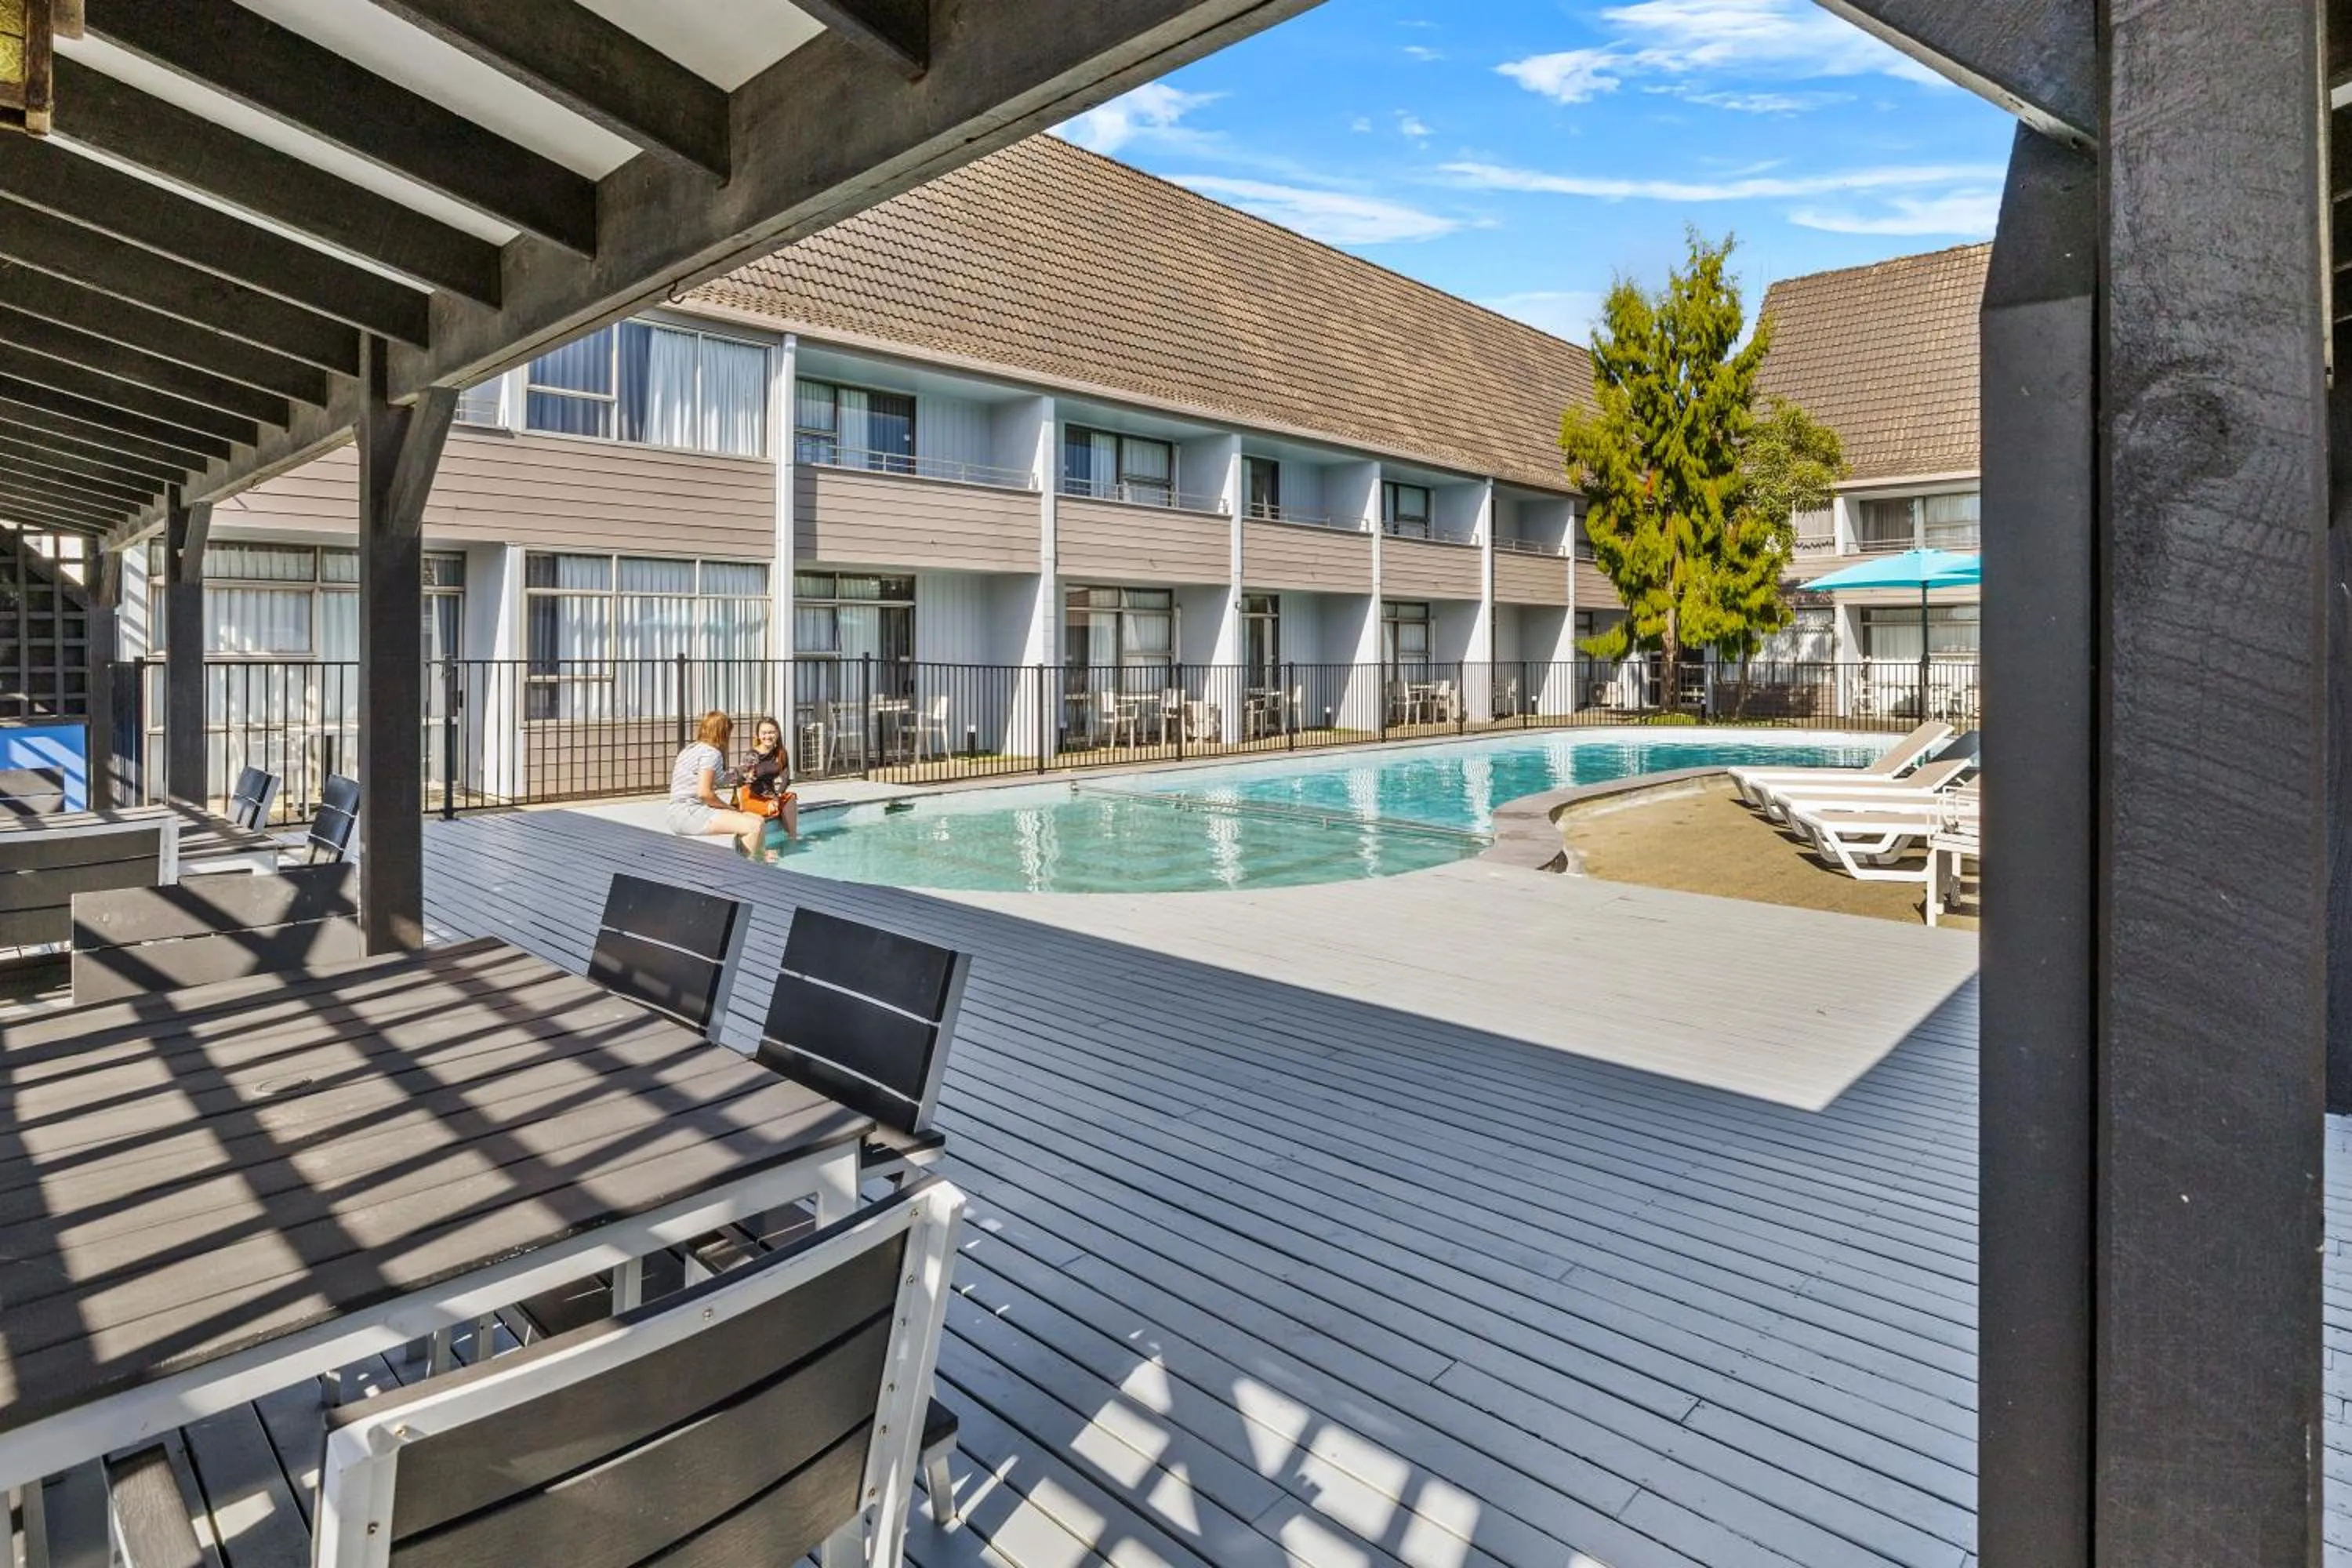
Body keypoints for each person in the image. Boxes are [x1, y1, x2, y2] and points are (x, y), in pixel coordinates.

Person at [667, 710, 768, 857]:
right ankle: (750, 868)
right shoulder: (711, 754)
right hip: (689, 814)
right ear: (722, 733)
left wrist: (738, 774)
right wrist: (729, 808)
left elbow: (716, 778)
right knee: (754, 826)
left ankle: (757, 859)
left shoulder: (690, 750)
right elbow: (705, 794)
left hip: (677, 813)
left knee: (759, 820)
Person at [735, 715, 800, 841]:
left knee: (790, 799)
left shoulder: (781, 753)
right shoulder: (752, 755)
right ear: (758, 735)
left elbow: (785, 779)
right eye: (764, 733)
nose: (768, 736)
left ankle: (793, 838)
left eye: (771, 732)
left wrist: (777, 796)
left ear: (777, 734)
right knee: (774, 808)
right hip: (753, 795)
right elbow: (747, 782)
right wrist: (772, 800)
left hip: (771, 796)